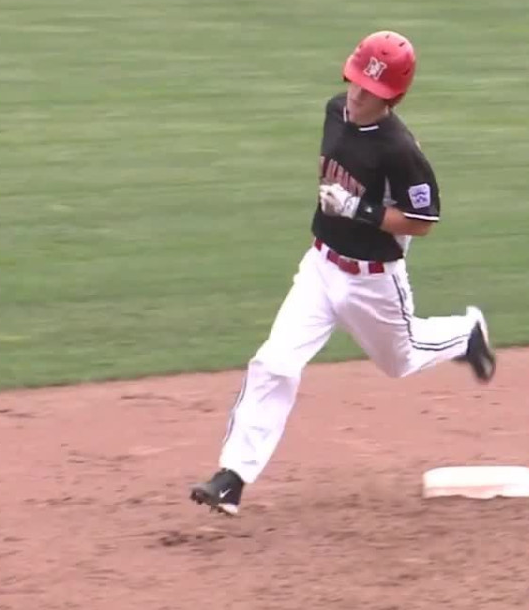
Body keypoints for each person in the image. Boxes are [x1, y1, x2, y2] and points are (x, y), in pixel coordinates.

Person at [189, 30, 497, 515]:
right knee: (274, 363)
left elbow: (424, 221)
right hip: (318, 267)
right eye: (354, 80)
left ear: (392, 95)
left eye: (369, 90)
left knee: (400, 361)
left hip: (372, 282)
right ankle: (232, 477)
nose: (355, 93)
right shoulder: (335, 111)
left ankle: (466, 334)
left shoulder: (400, 150)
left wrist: (360, 209)